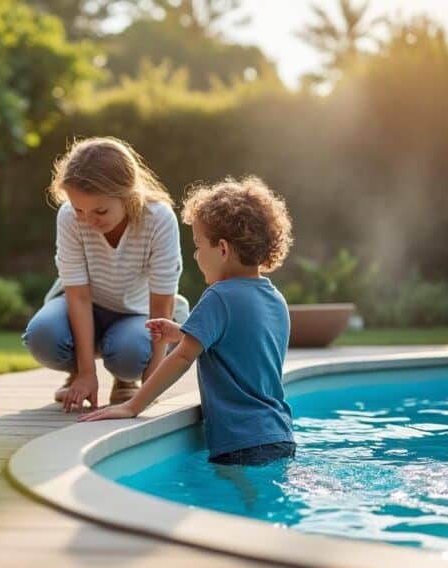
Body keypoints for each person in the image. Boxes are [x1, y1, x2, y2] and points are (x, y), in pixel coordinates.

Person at [79, 176, 296, 467]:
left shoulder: (219, 296)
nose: (195, 255)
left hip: (240, 441)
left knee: (238, 506)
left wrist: (133, 405)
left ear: (222, 249)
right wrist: (184, 332)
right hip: (279, 433)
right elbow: (243, 346)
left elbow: (182, 358)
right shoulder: (275, 298)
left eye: (198, 245)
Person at [23, 137, 188, 413]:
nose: (87, 220)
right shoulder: (68, 217)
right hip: (83, 304)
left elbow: (161, 304)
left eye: (100, 210)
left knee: (132, 354)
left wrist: (153, 379)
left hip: (136, 314)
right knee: (43, 336)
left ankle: (125, 380)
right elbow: (78, 295)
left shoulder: (159, 219)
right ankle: (77, 374)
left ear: (128, 195)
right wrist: (87, 372)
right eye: (79, 209)